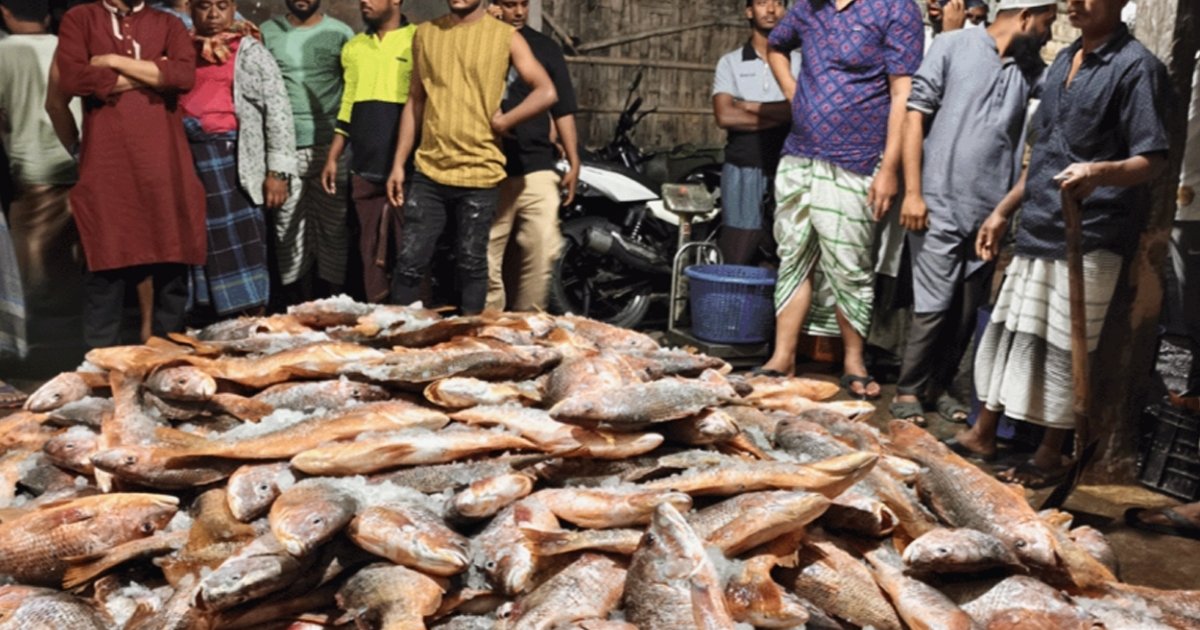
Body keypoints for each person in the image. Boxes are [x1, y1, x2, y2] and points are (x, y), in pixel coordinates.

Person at [953, 0, 1169, 487]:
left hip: (1091, 231)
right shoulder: (1061, 60)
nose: (1075, 3)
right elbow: (1044, 152)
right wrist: (1004, 210)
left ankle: (1051, 452)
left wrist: (1100, 172)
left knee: (1063, 347)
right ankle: (983, 432)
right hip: (1039, 222)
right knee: (1012, 334)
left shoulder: (1138, 68)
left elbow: (1152, 159)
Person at [890, 0, 1058, 427]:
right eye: (1046, 23)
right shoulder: (950, 45)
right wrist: (913, 192)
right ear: (1023, 17)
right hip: (937, 201)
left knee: (966, 308)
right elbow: (914, 118)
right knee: (933, 304)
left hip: (988, 213)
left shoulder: (1030, 71)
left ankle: (938, 387)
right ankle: (908, 389)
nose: (1048, 34)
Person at [757, 0, 924, 399]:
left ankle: (853, 360)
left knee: (850, 264)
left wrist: (889, 169)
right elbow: (775, 46)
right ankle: (783, 356)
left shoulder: (895, 9)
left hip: (859, 158)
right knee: (794, 255)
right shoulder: (807, 9)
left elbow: (903, 92)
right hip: (799, 154)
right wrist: (794, 93)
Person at [384, 0, 556, 315]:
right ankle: (399, 345)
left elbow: (546, 91)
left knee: (472, 264)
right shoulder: (426, 33)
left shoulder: (505, 36)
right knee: (409, 262)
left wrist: (505, 121)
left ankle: (470, 343)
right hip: (430, 170)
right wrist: (398, 163)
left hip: (481, 171)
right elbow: (415, 101)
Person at [53, 0, 207, 348]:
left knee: (171, 264)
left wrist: (111, 61)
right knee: (106, 265)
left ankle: (166, 369)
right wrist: (155, 73)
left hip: (166, 166)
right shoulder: (81, 19)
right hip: (107, 165)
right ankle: (101, 374)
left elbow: (183, 76)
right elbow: (76, 78)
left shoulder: (167, 23)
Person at [182, 0, 297, 318]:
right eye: (205, 7)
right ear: (191, 10)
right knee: (197, 244)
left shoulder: (250, 51)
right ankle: (204, 325)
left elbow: (278, 111)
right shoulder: (180, 51)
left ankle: (249, 323)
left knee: (243, 246)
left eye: (222, 6)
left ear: (233, 10)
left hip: (234, 161)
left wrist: (278, 171)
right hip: (188, 160)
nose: (214, 15)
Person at [485, 0, 580, 312]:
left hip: (537, 163)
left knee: (540, 252)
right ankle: (490, 331)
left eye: (524, 4)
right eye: (510, 4)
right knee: (487, 255)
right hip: (490, 165)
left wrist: (574, 159)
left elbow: (562, 106)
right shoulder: (480, 40)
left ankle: (527, 328)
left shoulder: (545, 47)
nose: (519, 12)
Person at [0, 0, 83, 342]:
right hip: (75, 162)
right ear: (48, 14)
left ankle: (36, 347)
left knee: (31, 266)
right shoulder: (71, 47)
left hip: (29, 170)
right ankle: (71, 340)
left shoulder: (3, 53)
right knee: (71, 259)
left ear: (5, 12)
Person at [261, 0, 354, 302]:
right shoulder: (266, 33)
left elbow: (351, 89)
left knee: (334, 228)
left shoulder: (341, 33)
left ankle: (335, 305)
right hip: (283, 149)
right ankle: (298, 309)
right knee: (287, 229)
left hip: (331, 147)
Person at [321, 0, 414, 303]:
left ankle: (416, 325)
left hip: (408, 169)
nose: (364, 1)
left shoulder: (418, 39)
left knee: (410, 251)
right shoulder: (355, 48)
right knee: (369, 249)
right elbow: (348, 104)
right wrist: (334, 155)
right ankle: (379, 329)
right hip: (364, 165)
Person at [710, 0, 797, 266]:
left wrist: (749, 107)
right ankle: (733, 306)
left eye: (777, 4)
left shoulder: (801, 60)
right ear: (749, 11)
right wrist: (783, 113)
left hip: (789, 167)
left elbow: (804, 109)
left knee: (786, 249)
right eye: (762, 2)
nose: (770, 10)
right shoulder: (731, 62)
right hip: (743, 164)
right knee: (738, 249)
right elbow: (725, 116)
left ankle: (777, 308)